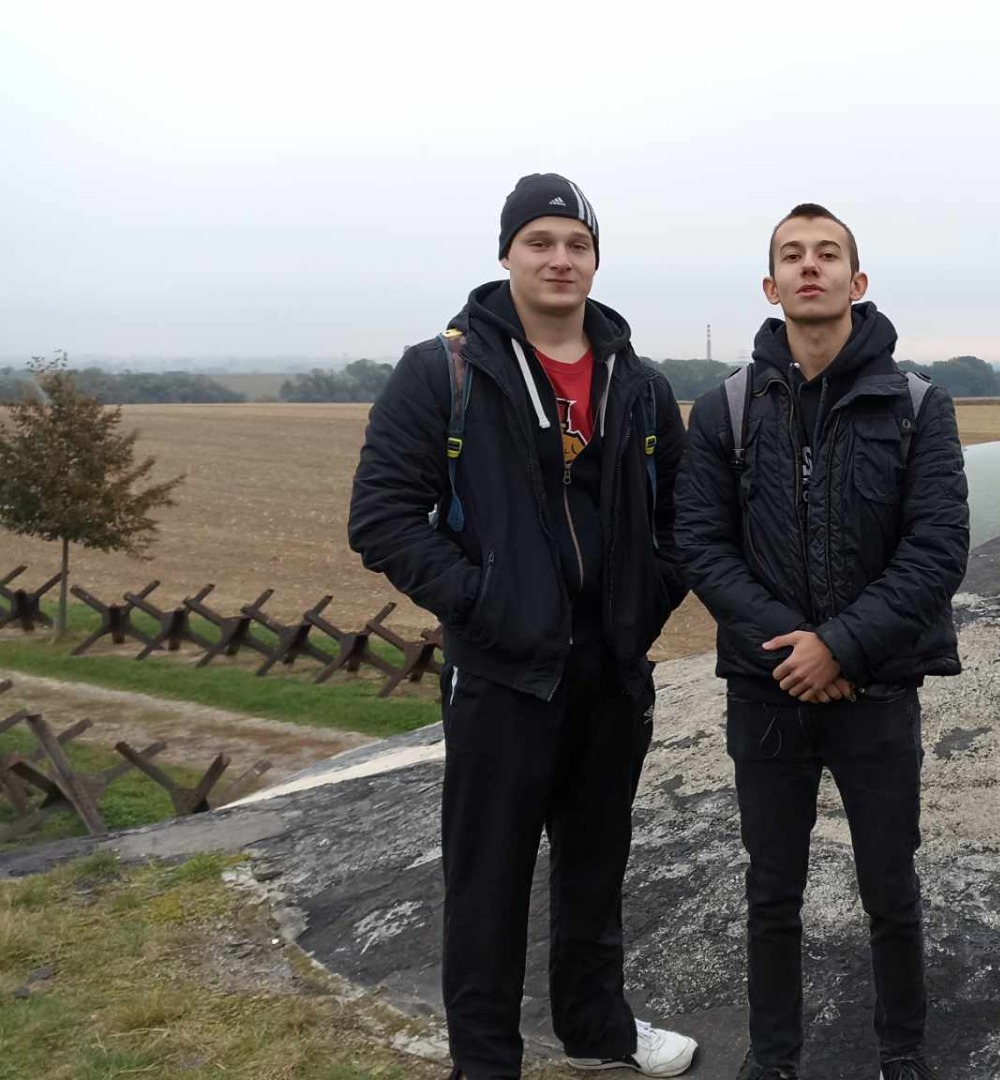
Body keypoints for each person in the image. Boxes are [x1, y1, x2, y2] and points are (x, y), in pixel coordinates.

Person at [349, 173, 697, 1079]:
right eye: (540, 241)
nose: (559, 259)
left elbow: (685, 519)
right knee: (487, 884)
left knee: (596, 869)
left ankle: (597, 1033)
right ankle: (485, 1062)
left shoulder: (639, 383)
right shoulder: (446, 372)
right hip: (502, 672)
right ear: (506, 253)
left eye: (577, 244)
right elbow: (382, 516)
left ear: (596, 260)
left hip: (611, 671)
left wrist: (648, 600)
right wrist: (483, 603)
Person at [676, 203, 969, 1080]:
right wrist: (795, 649)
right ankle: (773, 1062)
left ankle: (902, 1055)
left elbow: (937, 549)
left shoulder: (917, 406)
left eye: (828, 253)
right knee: (772, 894)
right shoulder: (726, 408)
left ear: (857, 280)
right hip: (767, 690)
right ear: (771, 287)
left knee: (891, 890)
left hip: (878, 691)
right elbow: (701, 544)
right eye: (793, 255)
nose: (811, 266)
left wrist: (840, 647)